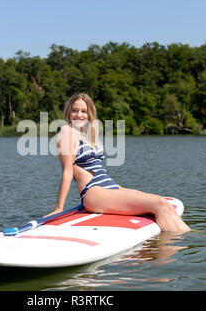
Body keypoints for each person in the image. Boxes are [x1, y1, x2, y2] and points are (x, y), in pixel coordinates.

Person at [46, 92, 190, 232]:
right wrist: (59, 208)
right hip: (94, 192)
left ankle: (187, 237)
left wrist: (117, 187)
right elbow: (67, 172)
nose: (79, 115)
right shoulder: (67, 132)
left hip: (111, 187)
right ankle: (181, 248)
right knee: (158, 204)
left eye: (84, 111)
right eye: (75, 110)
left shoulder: (87, 135)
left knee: (163, 203)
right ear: (68, 112)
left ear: (90, 114)